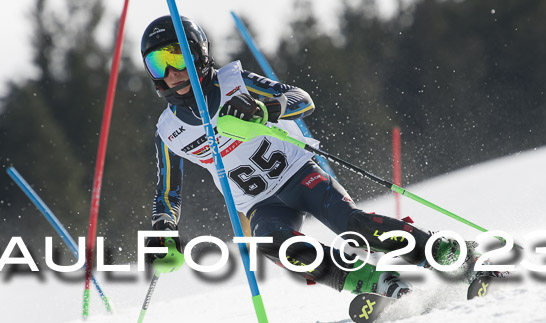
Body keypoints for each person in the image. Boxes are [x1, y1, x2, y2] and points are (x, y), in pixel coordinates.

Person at [140, 15, 466, 298]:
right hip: (260, 204)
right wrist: (163, 227)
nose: (171, 72)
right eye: (158, 63)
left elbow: (301, 99)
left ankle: (439, 251)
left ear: (198, 53)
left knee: (353, 226)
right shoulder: (168, 131)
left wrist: (266, 109)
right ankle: (374, 282)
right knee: (273, 244)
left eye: (177, 57)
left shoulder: (235, 82)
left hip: (300, 175)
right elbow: (167, 192)